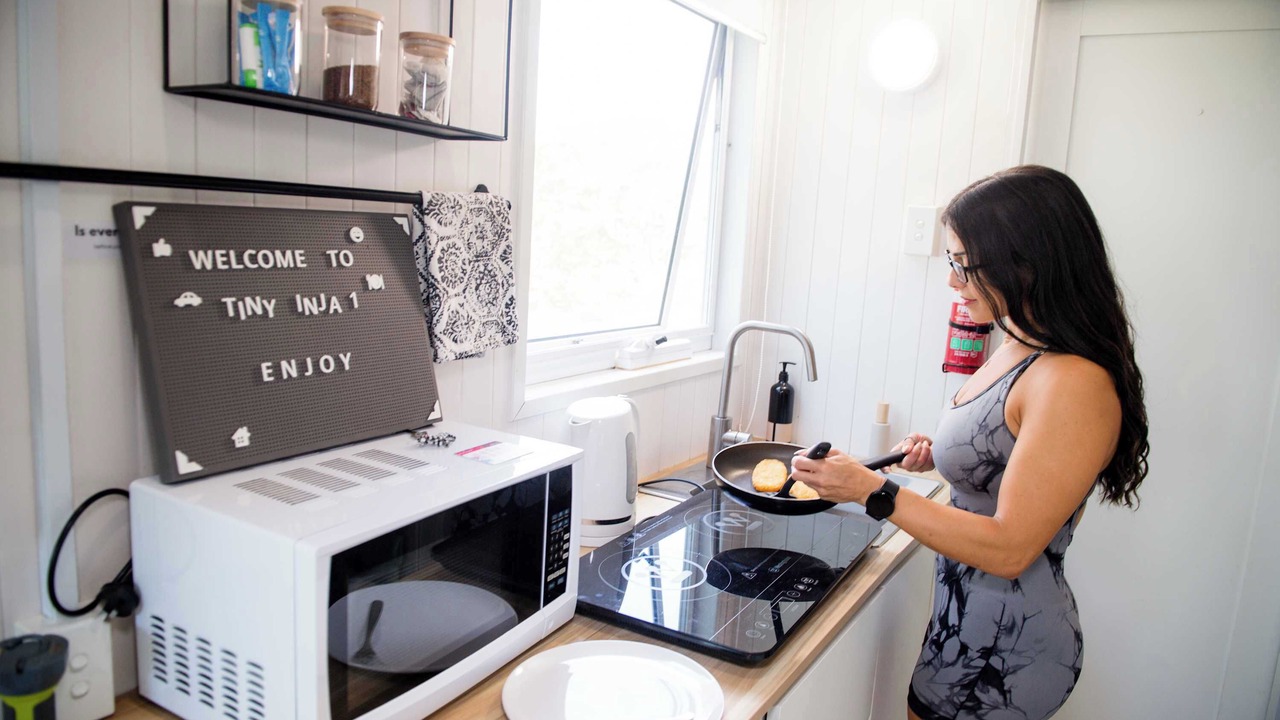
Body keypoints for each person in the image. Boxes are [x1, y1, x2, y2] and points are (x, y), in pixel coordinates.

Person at [791, 165, 1150, 720]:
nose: (952, 281)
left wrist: (871, 490)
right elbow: (1009, 456)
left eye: (963, 263)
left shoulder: (1074, 382)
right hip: (966, 620)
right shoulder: (1020, 343)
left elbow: (1011, 549)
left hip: (1007, 646)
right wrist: (943, 456)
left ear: (1025, 261)